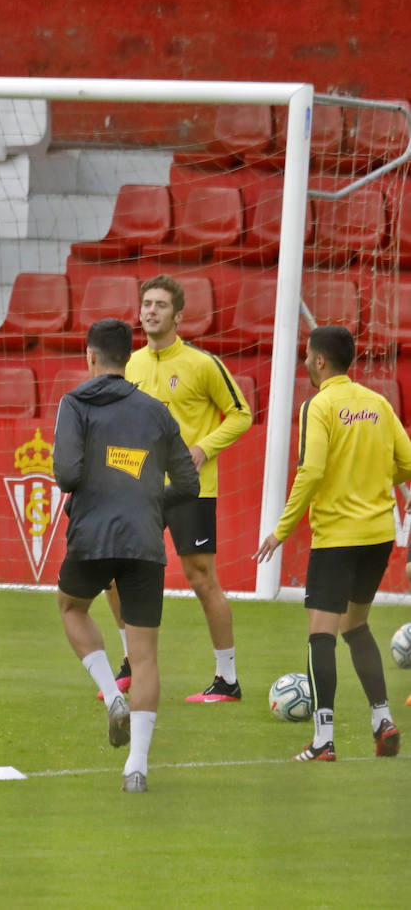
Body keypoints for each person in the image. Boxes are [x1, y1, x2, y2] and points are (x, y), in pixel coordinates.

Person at [53, 318, 199, 793]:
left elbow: (67, 474)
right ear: (129, 357)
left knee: (72, 607)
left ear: (90, 357)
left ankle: (111, 696)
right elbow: (190, 483)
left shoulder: (75, 402)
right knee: (146, 656)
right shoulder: (155, 410)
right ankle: (136, 766)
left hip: (92, 535)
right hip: (143, 540)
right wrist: (151, 501)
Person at [255, 324, 406, 762]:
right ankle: (382, 720)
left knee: (321, 635)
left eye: (307, 355)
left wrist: (281, 530)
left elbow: (312, 471)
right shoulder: (377, 403)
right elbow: (408, 461)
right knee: (356, 626)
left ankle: (323, 740)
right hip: (378, 535)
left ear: (320, 361)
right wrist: (377, 481)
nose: (304, 361)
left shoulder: (318, 406)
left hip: (337, 537)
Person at [102, 274, 252, 703]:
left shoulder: (202, 365)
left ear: (179, 315)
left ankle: (227, 679)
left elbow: (240, 414)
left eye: (160, 305)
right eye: (146, 303)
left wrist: (204, 448)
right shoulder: (129, 366)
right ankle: (130, 662)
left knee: (202, 579)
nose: (150, 310)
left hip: (190, 489)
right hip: (138, 489)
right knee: (112, 573)